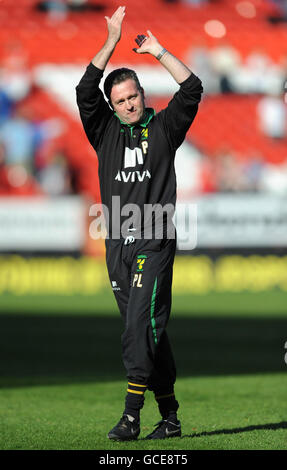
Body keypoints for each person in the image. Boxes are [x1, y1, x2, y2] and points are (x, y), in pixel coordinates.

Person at [76, 5, 203, 441]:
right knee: (150, 329)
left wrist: (158, 50)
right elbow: (85, 89)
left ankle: (131, 416)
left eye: (133, 96)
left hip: (154, 238)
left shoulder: (164, 127)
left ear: (143, 93)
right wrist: (111, 41)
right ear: (112, 106)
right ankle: (169, 417)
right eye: (121, 101)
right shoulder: (104, 131)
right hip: (117, 246)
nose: (129, 105)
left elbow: (192, 87)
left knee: (137, 328)